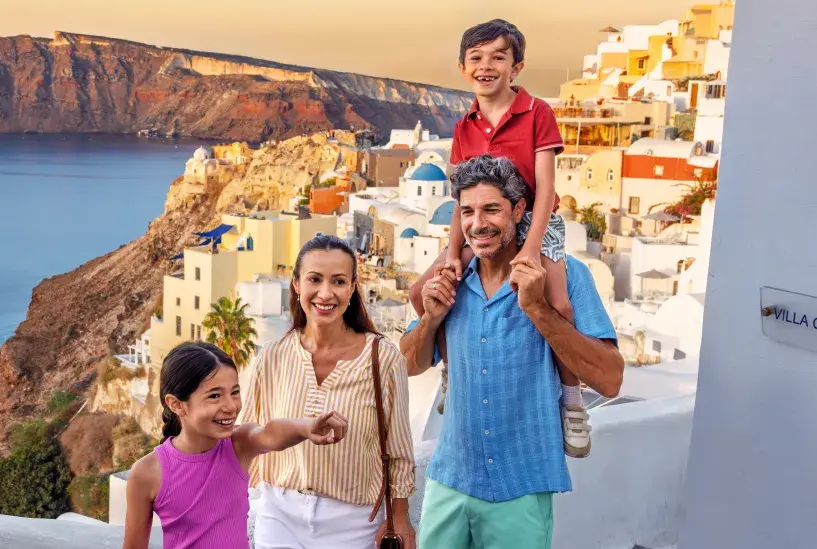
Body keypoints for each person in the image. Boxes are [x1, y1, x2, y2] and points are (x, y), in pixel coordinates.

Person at [400, 155, 624, 548]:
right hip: (450, 480)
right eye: (467, 211)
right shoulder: (449, 281)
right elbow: (405, 365)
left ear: (519, 210)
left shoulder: (566, 277)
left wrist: (538, 309)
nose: (478, 224)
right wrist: (431, 320)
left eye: (491, 209)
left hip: (521, 485)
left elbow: (609, 378)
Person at [407, 18, 592, 457]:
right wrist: (453, 252)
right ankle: (452, 371)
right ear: (463, 66)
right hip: (479, 224)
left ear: (517, 66)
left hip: (532, 221)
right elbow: (461, 198)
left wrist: (530, 249)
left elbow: (545, 188)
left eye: (498, 57)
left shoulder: (536, 113)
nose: (486, 66)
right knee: (422, 294)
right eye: (476, 58)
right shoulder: (463, 125)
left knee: (560, 303)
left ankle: (572, 401)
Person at [239, 234, 416, 549]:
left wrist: (399, 518)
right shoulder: (272, 356)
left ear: (352, 287)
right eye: (314, 279)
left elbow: (399, 449)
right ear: (296, 284)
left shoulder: (382, 357)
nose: (325, 293)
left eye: (338, 281)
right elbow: (249, 438)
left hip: (354, 522)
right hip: (279, 515)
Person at [121, 341, 349, 549]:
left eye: (235, 392)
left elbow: (271, 433)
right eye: (214, 396)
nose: (231, 406)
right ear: (177, 405)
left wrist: (306, 427)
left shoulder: (238, 445)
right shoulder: (147, 473)